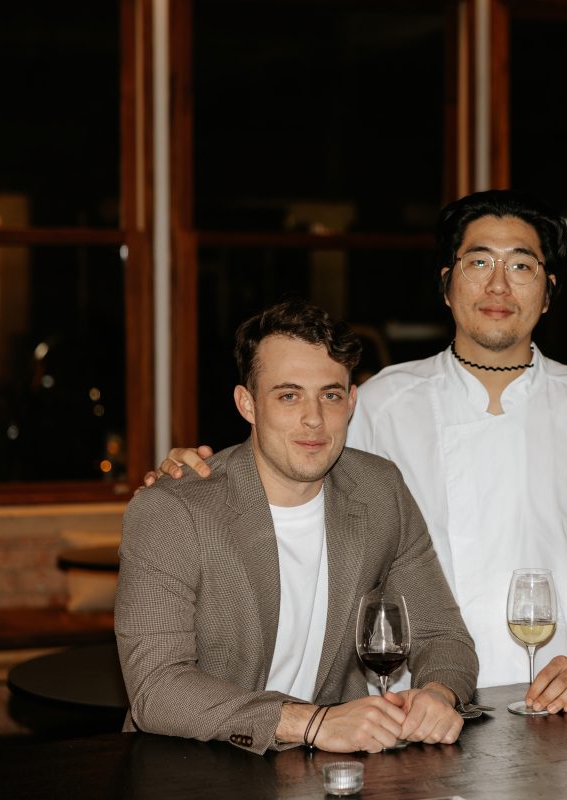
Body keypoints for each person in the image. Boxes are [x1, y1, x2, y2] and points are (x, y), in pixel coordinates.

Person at [153, 190, 567, 714]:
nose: (498, 284)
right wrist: (201, 474)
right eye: (479, 261)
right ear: (446, 283)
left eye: (521, 265)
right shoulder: (382, 402)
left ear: (549, 291)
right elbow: (292, 479)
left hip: (557, 693)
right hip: (403, 702)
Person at [116, 300, 478, 755]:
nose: (314, 418)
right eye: (288, 396)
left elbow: (443, 635)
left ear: (351, 402)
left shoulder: (379, 489)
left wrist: (438, 694)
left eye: (329, 395)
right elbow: (157, 689)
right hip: (198, 766)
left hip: (332, 769)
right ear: (246, 404)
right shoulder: (173, 511)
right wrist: (313, 722)